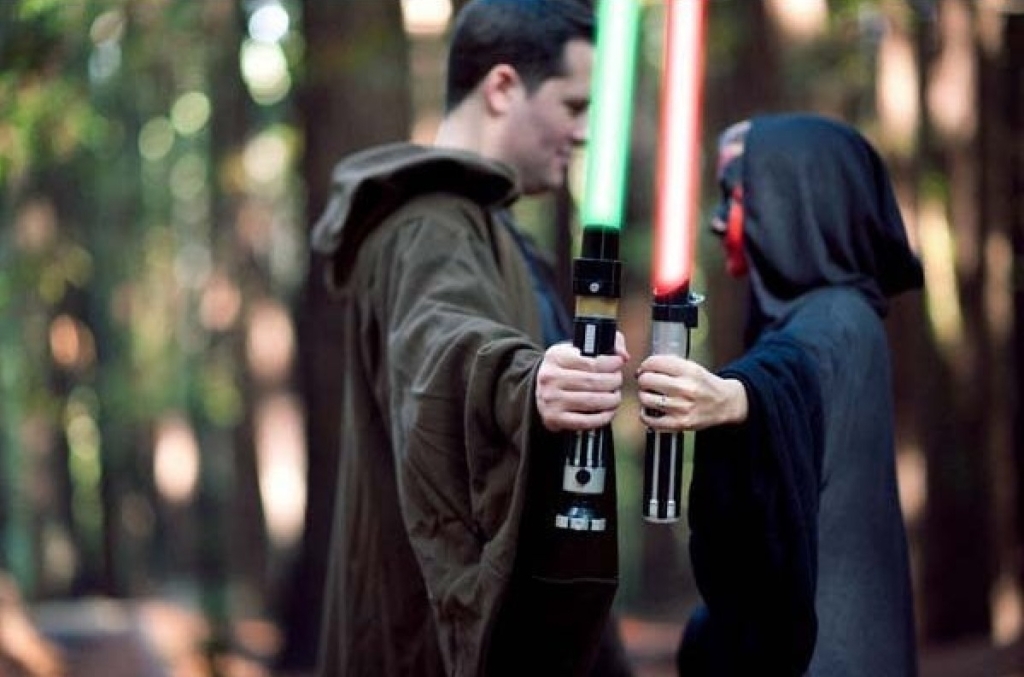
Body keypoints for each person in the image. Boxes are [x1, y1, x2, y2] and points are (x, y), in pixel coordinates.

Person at [310, 1, 634, 675]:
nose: (584, 133)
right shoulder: (430, 226)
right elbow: (441, 339)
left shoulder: (488, 229)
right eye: (574, 106)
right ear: (502, 87)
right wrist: (524, 381)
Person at [636, 113, 922, 676]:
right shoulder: (804, 319)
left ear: (797, 201)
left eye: (734, 196)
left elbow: (798, 372)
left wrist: (734, 397)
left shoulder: (842, 318)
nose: (718, 223)